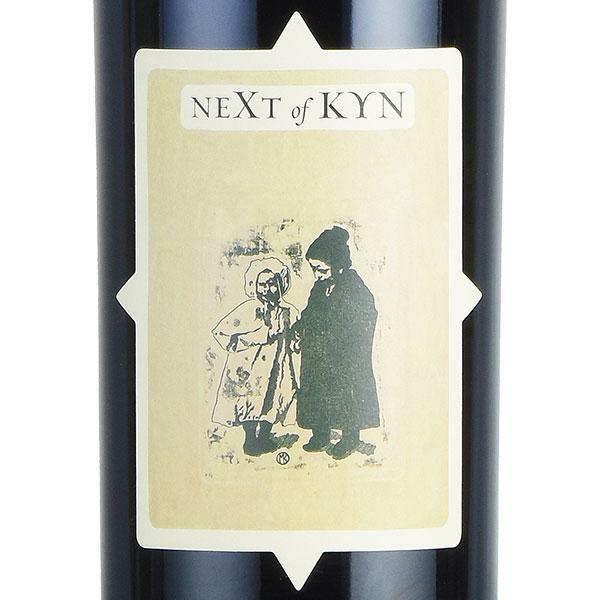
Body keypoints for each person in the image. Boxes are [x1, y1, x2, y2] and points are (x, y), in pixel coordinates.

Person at [292, 226, 380, 460]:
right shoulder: (319, 288)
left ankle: (350, 437)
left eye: (321, 270)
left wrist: (342, 339)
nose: (317, 275)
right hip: (319, 353)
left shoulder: (354, 287)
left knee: (346, 395)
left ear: (339, 266)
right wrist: (298, 330)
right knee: (317, 392)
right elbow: (309, 313)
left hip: (343, 356)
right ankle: (320, 433)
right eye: (313, 269)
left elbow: (366, 316)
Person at [212, 257, 298, 456]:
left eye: (272, 284)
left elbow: (294, 335)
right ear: (255, 286)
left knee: (274, 397)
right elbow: (221, 333)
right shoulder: (249, 309)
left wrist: (296, 342)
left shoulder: (288, 311)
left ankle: (265, 436)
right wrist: (260, 336)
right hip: (251, 366)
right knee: (251, 398)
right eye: (262, 285)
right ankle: (250, 439)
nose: (267, 289)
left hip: (278, 363)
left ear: (281, 284)